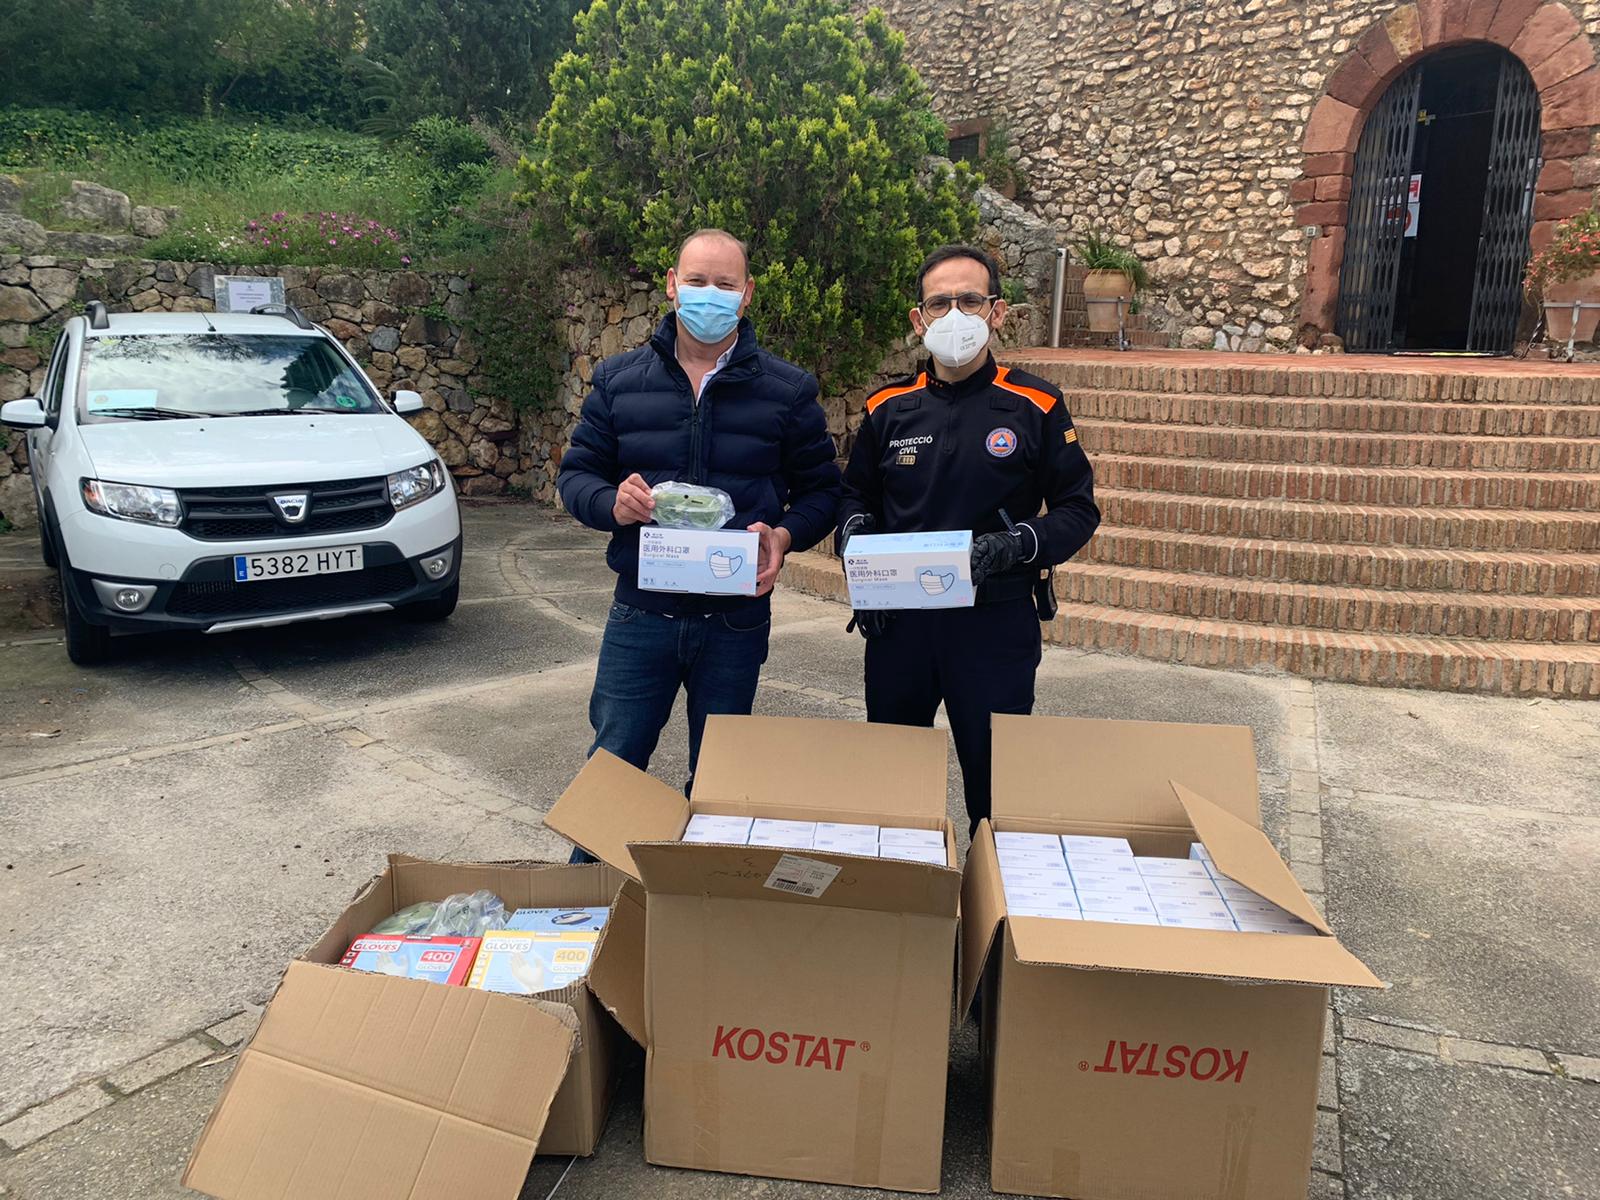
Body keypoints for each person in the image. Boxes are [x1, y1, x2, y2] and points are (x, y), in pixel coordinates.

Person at [558, 228, 842, 809]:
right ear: (672, 285)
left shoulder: (788, 390)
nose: (709, 294)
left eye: (724, 284)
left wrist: (784, 535)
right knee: (613, 767)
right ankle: (592, 870)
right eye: (696, 280)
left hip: (734, 621)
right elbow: (576, 476)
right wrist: (612, 504)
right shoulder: (617, 381)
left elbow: (822, 490)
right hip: (640, 613)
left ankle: (703, 871)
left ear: (747, 293)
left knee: (720, 781)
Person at [837, 244, 1099, 832]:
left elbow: (1078, 509)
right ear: (919, 319)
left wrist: (1019, 543)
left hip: (994, 626)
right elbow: (855, 497)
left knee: (998, 796)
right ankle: (903, 888)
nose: (954, 314)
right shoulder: (886, 407)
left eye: (970, 300)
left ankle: (992, 891)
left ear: (996, 312)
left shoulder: (1036, 404)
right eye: (939, 303)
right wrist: (855, 544)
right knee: (893, 792)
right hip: (899, 625)